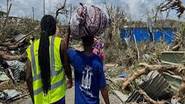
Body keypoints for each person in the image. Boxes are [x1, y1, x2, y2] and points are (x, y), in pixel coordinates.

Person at [25, 15, 72, 104]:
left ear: (41, 28)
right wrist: (70, 79)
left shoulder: (31, 48)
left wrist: (34, 99)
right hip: (57, 97)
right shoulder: (60, 43)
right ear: (54, 28)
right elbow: (66, 65)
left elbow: (28, 77)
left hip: (40, 100)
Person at [67, 36, 110, 104]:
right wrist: (107, 103)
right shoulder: (97, 61)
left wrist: (69, 34)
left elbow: (66, 48)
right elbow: (103, 88)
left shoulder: (75, 57)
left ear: (82, 43)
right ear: (93, 43)